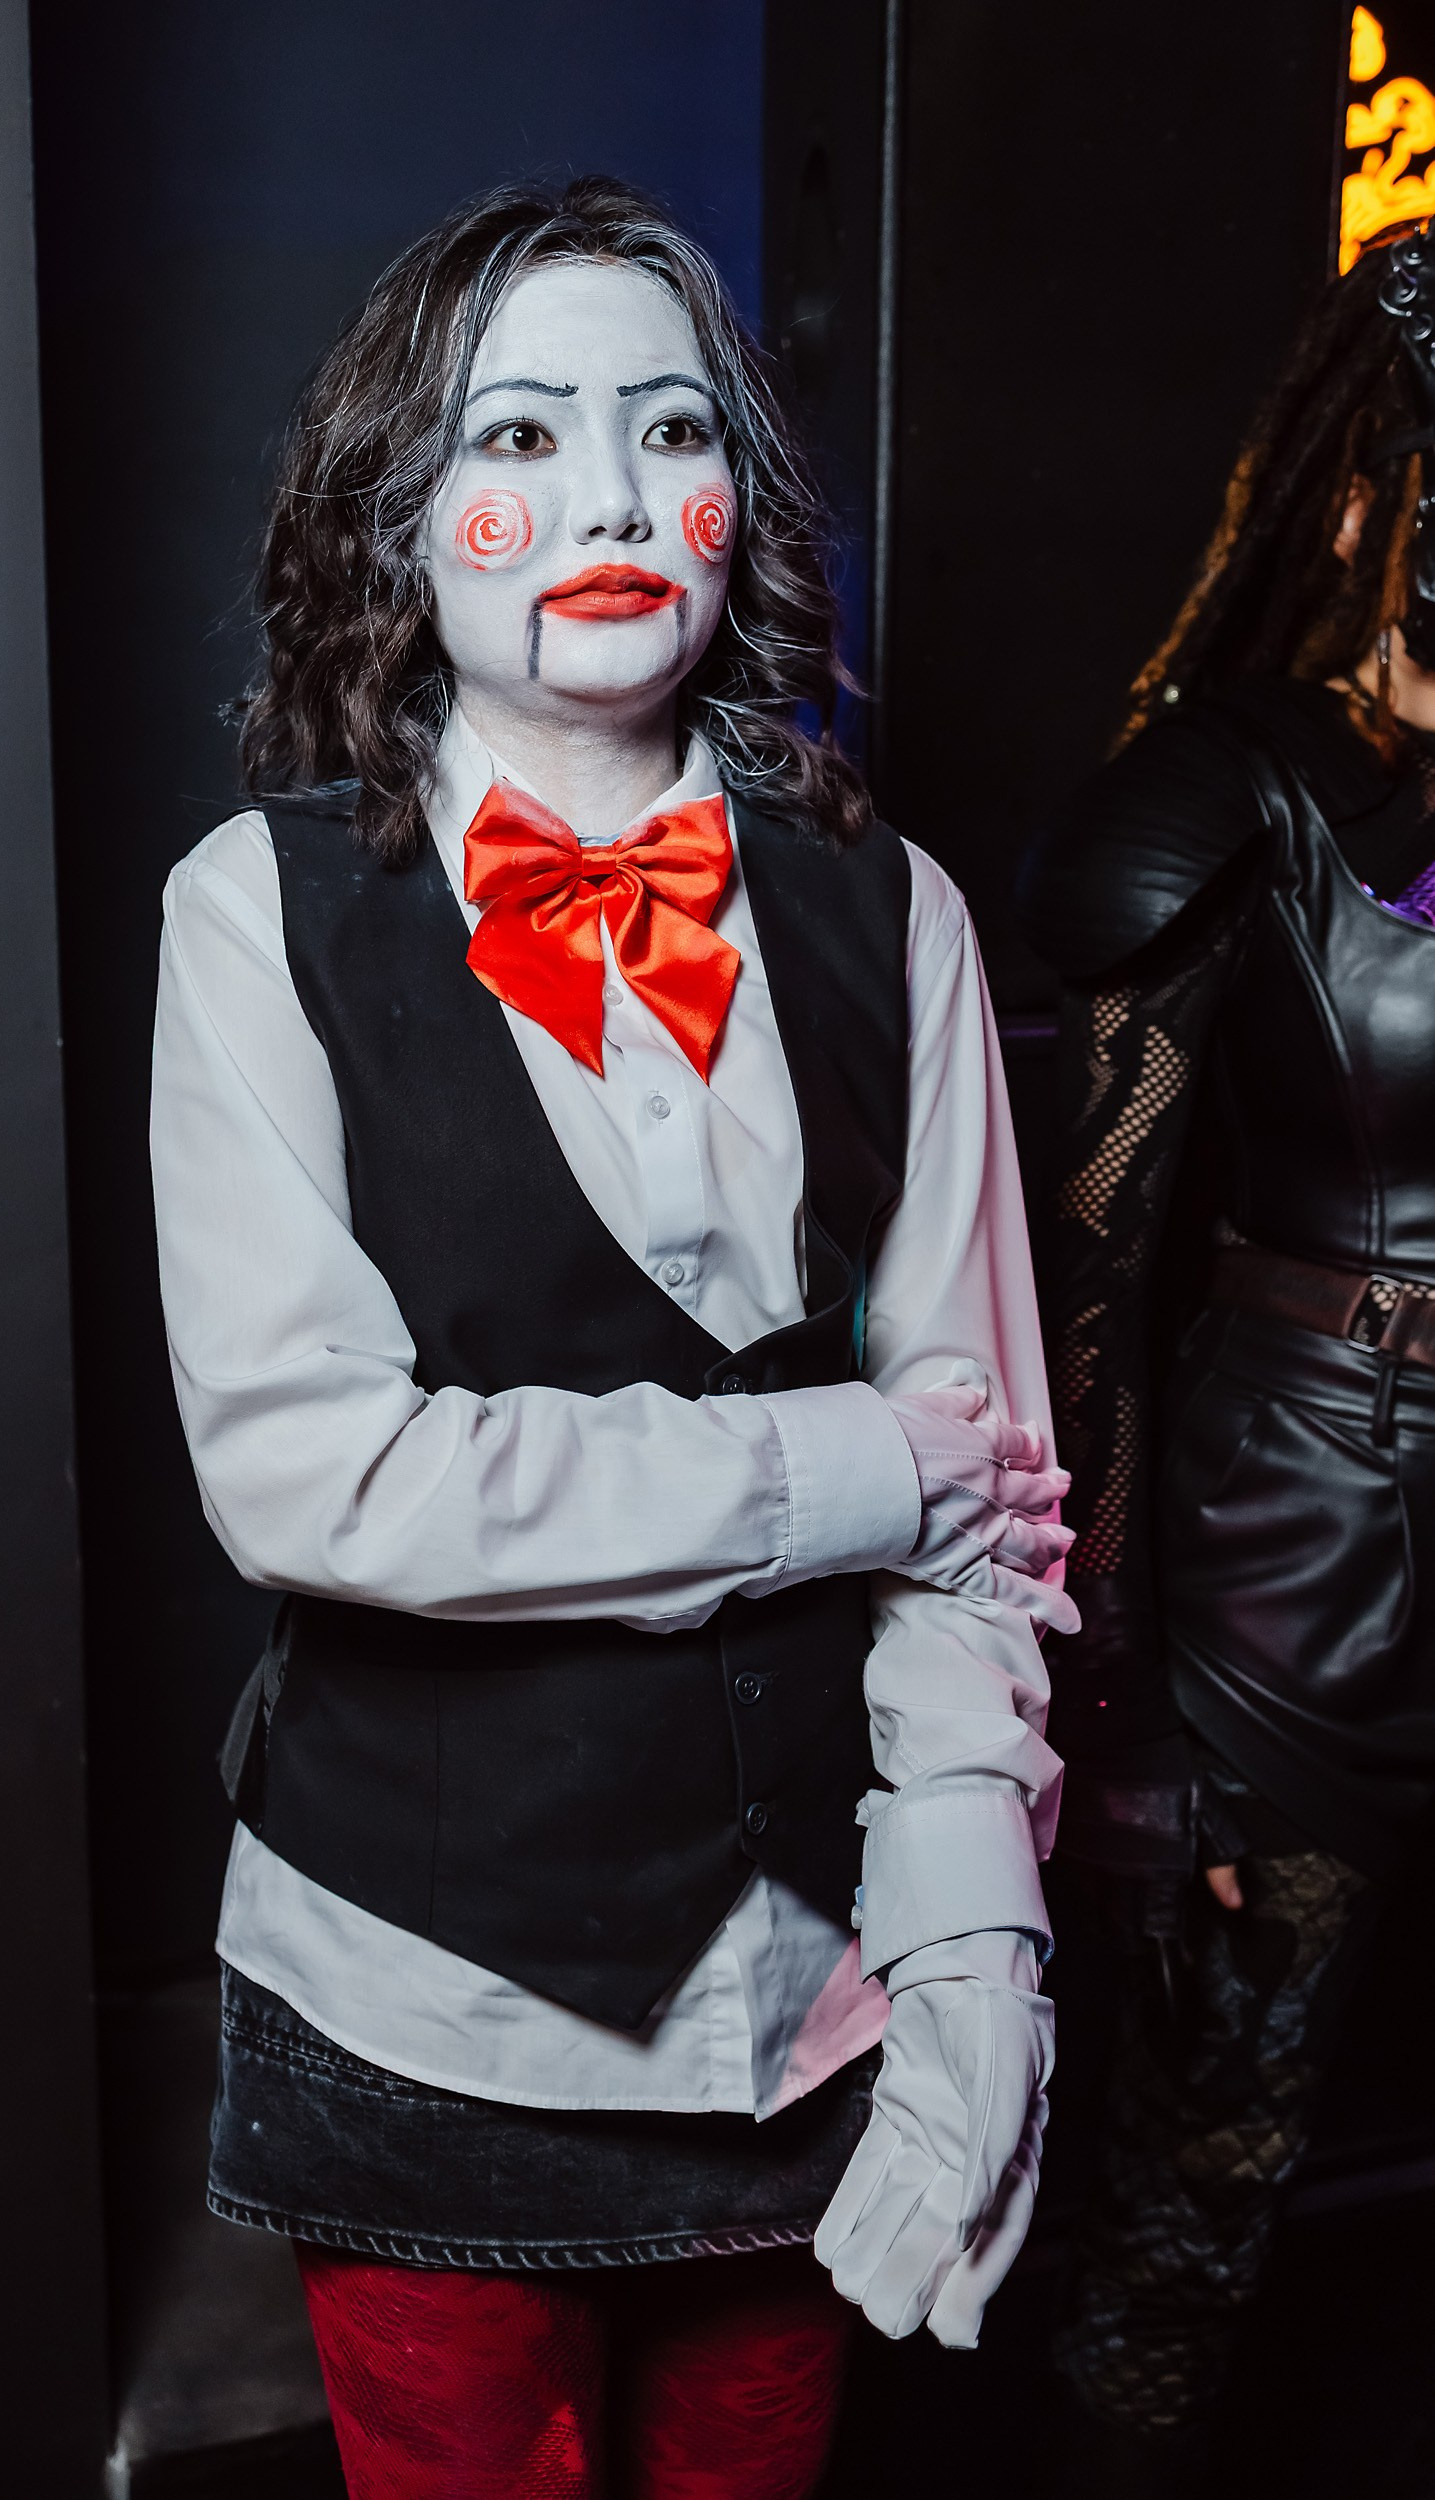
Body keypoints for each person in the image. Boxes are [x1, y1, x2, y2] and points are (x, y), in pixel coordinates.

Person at [152, 177, 1072, 2500]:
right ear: (399, 515)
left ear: (739, 504)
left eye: (672, 432)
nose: (610, 501)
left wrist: (977, 1934)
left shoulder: (897, 909)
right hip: (422, 1994)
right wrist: (848, 1467)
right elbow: (320, 1475)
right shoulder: (254, 914)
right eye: (521, 435)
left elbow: (995, 1491)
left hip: (818, 1997)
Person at [1019, 222, 1435, 2488]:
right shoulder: (1237, 793)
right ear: (1363, 493)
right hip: (1302, 1579)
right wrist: (1121, 1703)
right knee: (1206, 2179)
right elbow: (1096, 1275)